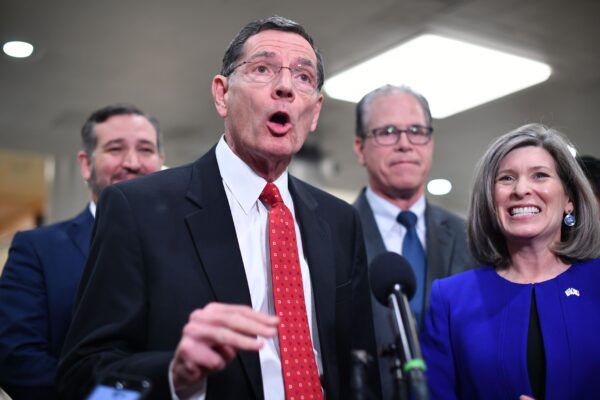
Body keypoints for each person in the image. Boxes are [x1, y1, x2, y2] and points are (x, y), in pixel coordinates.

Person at [57, 16, 379, 400]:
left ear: (316, 111)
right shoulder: (135, 209)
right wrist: (176, 376)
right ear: (221, 94)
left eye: (304, 77)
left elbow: (361, 367)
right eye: (262, 69)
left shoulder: (340, 220)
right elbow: (83, 376)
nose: (285, 87)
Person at [421, 123, 600, 399]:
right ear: (491, 202)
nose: (521, 189)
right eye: (506, 178)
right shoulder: (450, 299)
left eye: (540, 175)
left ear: (569, 200)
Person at [0, 104, 165, 399]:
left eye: (145, 150)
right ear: (86, 164)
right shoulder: (38, 249)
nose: (132, 162)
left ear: (161, 161)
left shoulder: (186, 242)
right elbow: (16, 358)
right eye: (115, 149)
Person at [352, 84, 473, 398]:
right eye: (388, 131)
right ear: (359, 147)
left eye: (417, 131)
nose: (404, 144)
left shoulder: (470, 237)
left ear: (430, 142)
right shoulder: (332, 236)